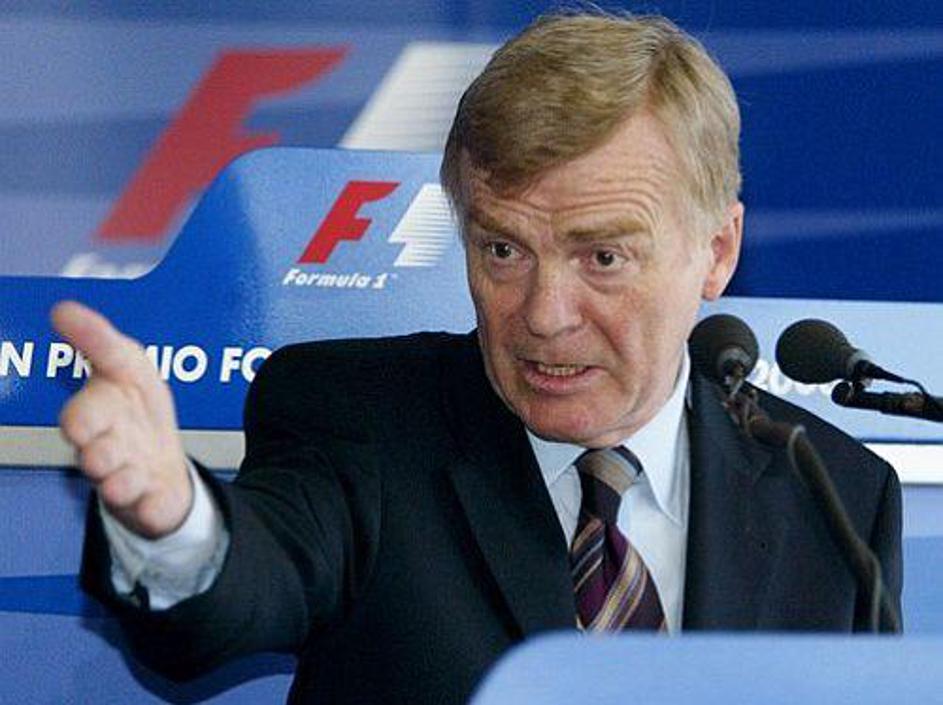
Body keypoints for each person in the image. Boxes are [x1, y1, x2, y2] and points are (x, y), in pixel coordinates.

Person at [55, 11, 901, 705]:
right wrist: (171, 518)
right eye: (502, 250)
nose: (543, 314)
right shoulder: (358, 419)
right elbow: (246, 585)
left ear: (716, 251)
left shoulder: (833, 497)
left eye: (602, 257)